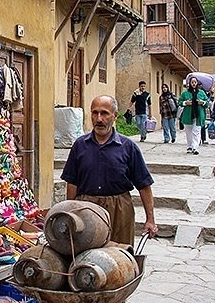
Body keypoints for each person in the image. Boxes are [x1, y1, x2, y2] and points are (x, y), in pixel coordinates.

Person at [61, 95, 159, 245]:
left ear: (115, 116)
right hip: (86, 210)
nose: (99, 119)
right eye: (95, 113)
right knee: (86, 258)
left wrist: (150, 220)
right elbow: (72, 183)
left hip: (120, 210)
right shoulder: (80, 146)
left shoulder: (128, 147)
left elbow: (144, 185)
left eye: (105, 113)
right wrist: (70, 214)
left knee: (120, 257)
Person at [178, 76, 208, 155]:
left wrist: (203, 102)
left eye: (195, 82)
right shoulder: (185, 93)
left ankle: (195, 147)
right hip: (188, 115)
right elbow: (179, 102)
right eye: (192, 82)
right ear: (190, 83)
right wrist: (185, 103)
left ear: (197, 83)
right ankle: (189, 146)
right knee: (188, 132)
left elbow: (207, 102)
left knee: (196, 132)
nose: (194, 83)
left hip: (198, 115)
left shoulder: (201, 92)